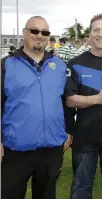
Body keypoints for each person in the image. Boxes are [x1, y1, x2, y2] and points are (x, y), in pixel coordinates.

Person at [1, 16, 73, 199]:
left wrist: (69, 130)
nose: (39, 35)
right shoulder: (6, 65)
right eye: (34, 31)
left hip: (51, 149)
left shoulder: (59, 66)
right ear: (24, 34)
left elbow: (67, 102)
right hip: (16, 148)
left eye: (45, 32)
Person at [65, 14, 102, 199]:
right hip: (85, 135)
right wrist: (96, 100)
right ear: (89, 34)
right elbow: (69, 100)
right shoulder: (75, 64)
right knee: (81, 186)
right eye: (96, 30)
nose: (100, 34)